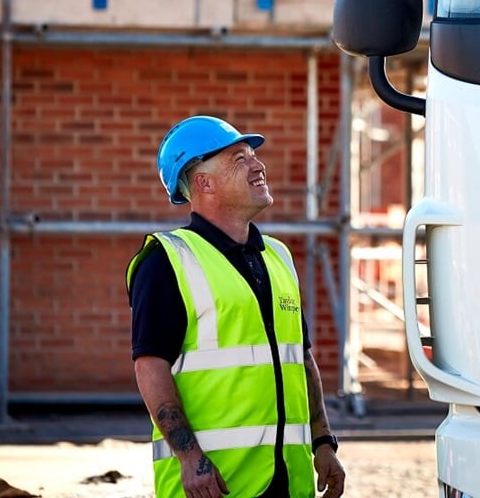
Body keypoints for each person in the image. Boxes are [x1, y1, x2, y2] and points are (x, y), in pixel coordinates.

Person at [126, 115, 345, 498]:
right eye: (239, 158)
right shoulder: (166, 260)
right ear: (204, 182)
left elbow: (300, 358)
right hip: (215, 485)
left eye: (253, 156)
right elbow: (150, 366)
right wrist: (189, 457)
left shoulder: (278, 256)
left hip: (290, 481)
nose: (258, 166)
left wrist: (323, 442)